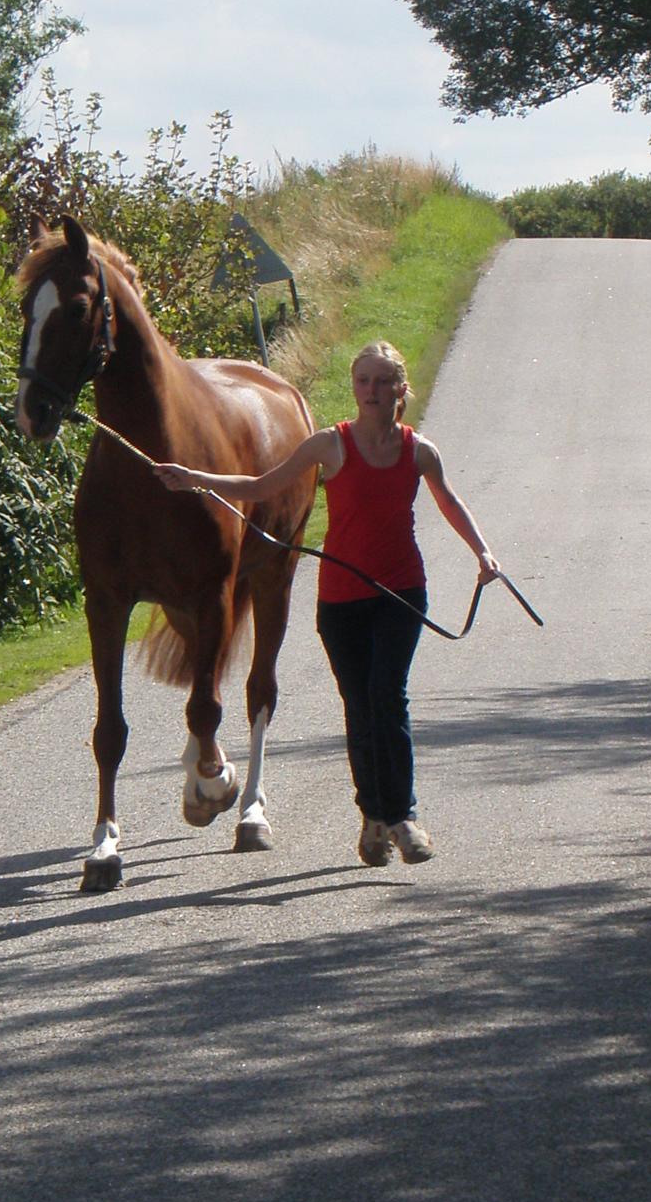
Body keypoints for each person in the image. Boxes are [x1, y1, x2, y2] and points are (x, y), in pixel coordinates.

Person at [153, 340, 499, 866]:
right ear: (355, 387)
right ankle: (372, 819)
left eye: (383, 382)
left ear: (401, 390)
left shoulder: (418, 451)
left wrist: (483, 552)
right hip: (341, 601)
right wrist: (195, 479)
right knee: (360, 708)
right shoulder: (329, 447)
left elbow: (449, 501)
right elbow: (259, 484)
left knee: (388, 696)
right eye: (364, 381)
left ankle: (403, 817)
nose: (372, 392)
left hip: (401, 593)